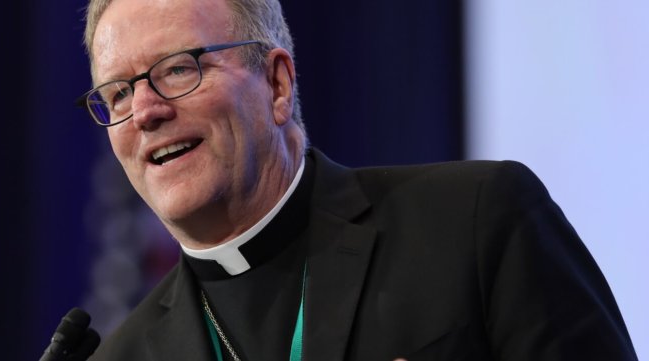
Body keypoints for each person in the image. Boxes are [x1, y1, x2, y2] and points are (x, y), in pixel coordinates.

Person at [76, 0, 638, 359]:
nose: (144, 110)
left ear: (276, 84)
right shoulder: (123, 356)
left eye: (178, 68)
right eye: (118, 93)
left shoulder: (474, 223)